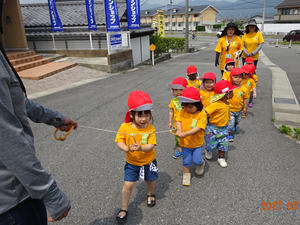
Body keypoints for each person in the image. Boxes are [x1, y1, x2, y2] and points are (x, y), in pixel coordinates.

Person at [0, 51, 78, 224]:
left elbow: (15, 100)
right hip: (13, 204)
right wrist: (51, 193)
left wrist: (54, 118)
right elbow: (6, 138)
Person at [115, 91, 158, 223]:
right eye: (140, 115)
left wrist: (141, 148)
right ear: (131, 114)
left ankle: (150, 193)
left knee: (150, 180)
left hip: (148, 161)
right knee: (128, 184)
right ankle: (123, 208)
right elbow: (119, 141)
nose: (144, 118)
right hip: (132, 162)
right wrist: (127, 148)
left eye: (147, 114)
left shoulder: (150, 128)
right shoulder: (125, 127)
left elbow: (151, 145)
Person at [176, 87, 207, 186]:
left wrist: (185, 133)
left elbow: (198, 128)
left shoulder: (202, 114)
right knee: (186, 161)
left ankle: (201, 164)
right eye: (185, 106)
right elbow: (178, 120)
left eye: (190, 106)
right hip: (185, 143)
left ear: (197, 104)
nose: (187, 108)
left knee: (197, 160)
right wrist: (179, 129)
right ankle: (186, 174)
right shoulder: (183, 111)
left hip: (197, 143)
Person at [204, 80, 238, 167]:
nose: (233, 92)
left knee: (223, 144)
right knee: (210, 143)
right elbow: (205, 112)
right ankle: (208, 150)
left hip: (224, 128)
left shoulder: (227, 102)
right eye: (232, 91)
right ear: (227, 94)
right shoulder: (215, 104)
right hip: (213, 128)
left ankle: (221, 158)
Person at [168, 77, 188, 159]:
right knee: (178, 139)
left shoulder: (187, 100)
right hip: (177, 125)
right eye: (176, 90)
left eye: (181, 90)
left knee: (187, 138)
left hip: (187, 124)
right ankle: (180, 150)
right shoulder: (173, 101)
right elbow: (171, 111)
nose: (178, 92)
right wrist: (170, 121)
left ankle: (188, 149)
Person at [227, 68, 249, 142]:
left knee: (237, 121)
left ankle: (234, 125)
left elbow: (245, 99)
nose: (237, 79)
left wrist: (245, 107)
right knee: (230, 122)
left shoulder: (243, 89)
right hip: (230, 109)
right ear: (231, 77)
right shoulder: (229, 88)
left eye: (239, 77)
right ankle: (230, 133)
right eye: (235, 77)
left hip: (239, 109)